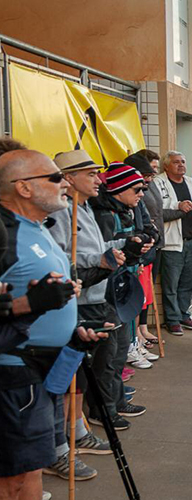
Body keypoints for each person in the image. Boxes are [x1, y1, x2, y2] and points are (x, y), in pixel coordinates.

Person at [0, 150, 107, 498]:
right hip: (14, 373)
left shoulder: (37, 226)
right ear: (24, 188)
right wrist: (28, 303)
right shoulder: (5, 234)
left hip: (44, 368)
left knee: (31, 472)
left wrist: (70, 330)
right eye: (55, 177)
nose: (65, 183)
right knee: (17, 479)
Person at [47, 150, 128, 450]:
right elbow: (62, 259)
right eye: (91, 174)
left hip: (96, 294)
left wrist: (119, 247)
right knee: (72, 374)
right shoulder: (60, 212)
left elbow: (94, 247)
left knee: (86, 370)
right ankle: (65, 440)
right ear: (69, 178)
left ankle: (77, 430)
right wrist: (100, 261)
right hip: (76, 303)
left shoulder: (86, 207)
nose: (99, 179)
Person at [89, 163, 154, 420]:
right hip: (105, 291)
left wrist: (141, 242)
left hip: (120, 287)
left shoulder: (124, 210)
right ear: (119, 189)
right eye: (137, 189)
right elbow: (102, 252)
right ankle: (103, 410)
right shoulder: (104, 214)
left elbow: (138, 235)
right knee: (108, 356)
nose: (141, 194)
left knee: (119, 351)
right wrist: (129, 248)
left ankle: (115, 401)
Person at [153, 151, 192, 335]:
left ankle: (184, 314)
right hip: (171, 243)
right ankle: (172, 320)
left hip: (191, 241)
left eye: (183, 161)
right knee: (171, 285)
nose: (181, 165)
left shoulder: (191, 182)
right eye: (176, 162)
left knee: (186, 283)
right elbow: (156, 211)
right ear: (166, 166)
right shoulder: (158, 183)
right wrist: (178, 206)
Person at [125, 150, 163, 348]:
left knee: (145, 295)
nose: (148, 179)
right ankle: (134, 339)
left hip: (148, 249)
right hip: (133, 256)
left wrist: (152, 236)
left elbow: (148, 221)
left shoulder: (147, 189)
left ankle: (141, 331)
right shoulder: (125, 197)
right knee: (134, 297)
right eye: (147, 174)